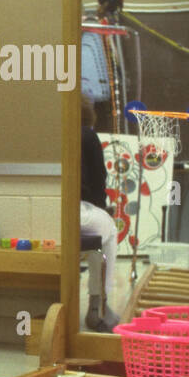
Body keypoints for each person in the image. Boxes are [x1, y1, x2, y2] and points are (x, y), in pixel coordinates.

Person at [81, 98, 120, 330]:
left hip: (43, 211)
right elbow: (98, 183)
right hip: (75, 211)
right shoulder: (87, 134)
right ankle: (99, 306)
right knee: (107, 229)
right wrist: (102, 209)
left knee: (98, 228)